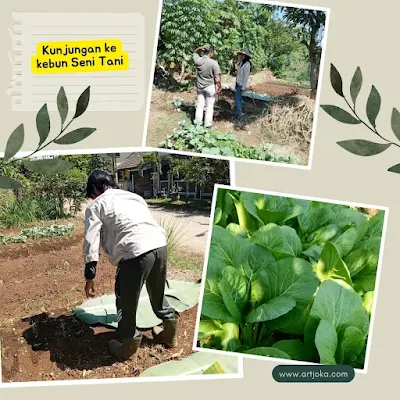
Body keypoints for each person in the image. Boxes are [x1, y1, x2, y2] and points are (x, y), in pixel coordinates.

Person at [83, 170, 179, 361]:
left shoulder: (96, 206)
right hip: (159, 245)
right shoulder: (134, 197)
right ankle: (170, 334)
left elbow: (90, 240)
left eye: (91, 193)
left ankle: (128, 344)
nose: (92, 197)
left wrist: (90, 274)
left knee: (125, 301)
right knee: (157, 292)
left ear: (95, 188)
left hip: (135, 253)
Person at [193, 44, 222, 129]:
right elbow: (217, 79)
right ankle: (208, 125)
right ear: (211, 53)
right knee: (209, 106)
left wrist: (199, 48)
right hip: (209, 87)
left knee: (200, 105)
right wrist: (219, 87)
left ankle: (197, 124)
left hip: (200, 87)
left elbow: (194, 53)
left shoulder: (198, 60)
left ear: (204, 51)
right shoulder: (214, 63)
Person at [234, 50, 252, 121]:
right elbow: (239, 73)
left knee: (238, 100)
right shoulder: (242, 63)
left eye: (243, 55)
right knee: (238, 99)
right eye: (241, 55)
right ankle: (238, 113)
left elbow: (246, 77)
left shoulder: (247, 64)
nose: (242, 56)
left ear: (246, 56)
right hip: (238, 83)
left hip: (241, 85)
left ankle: (239, 116)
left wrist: (243, 87)